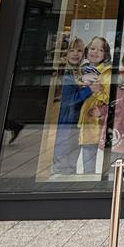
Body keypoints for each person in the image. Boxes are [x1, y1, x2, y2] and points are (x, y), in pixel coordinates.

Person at [53, 37, 91, 174]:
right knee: (64, 155)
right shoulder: (66, 73)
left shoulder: (77, 71)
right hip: (67, 122)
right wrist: (89, 89)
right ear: (65, 53)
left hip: (75, 120)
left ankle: (68, 175)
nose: (75, 54)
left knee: (72, 154)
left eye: (79, 51)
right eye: (71, 50)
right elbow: (70, 100)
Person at [77, 37, 112, 174]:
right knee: (87, 157)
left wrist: (95, 90)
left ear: (105, 54)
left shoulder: (107, 72)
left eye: (100, 50)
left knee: (102, 157)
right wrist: (82, 81)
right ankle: (88, 180)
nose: (95, 52)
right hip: (84, 120)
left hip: (98, 120)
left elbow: (109, 96)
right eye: (92, 48)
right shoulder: (82, 70)